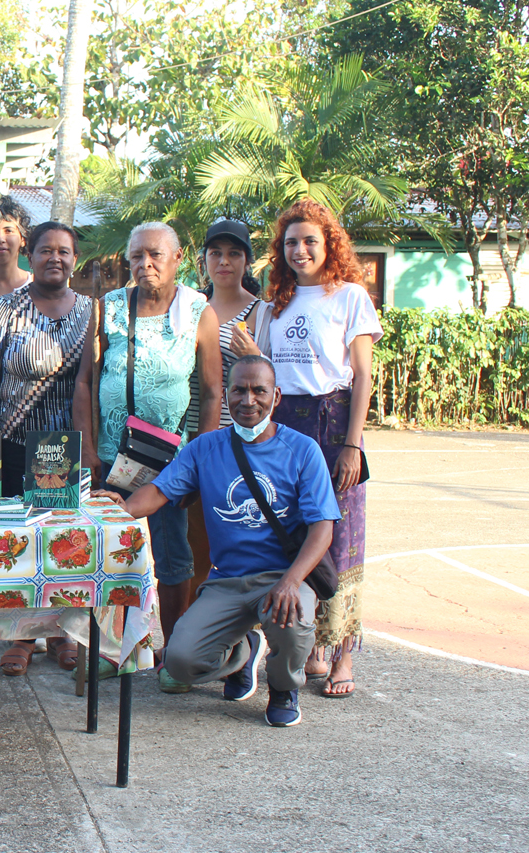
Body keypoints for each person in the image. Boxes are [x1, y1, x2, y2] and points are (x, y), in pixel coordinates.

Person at [101, 355, 340, 727]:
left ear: (276, 396)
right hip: (227, 580)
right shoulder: (205, 447)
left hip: (282, 576)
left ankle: (283, 688)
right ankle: (242, 654)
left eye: (259, 391)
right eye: (239, 390)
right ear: (227, 396)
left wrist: (292, 582)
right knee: (180, 661)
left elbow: (322, 528)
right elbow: (161, 490)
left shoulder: (303, 449)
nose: (248, 400)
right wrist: (125, 507)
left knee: (292, 624)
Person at [78, 221, 208, 694]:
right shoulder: (108, 307)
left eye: (154, 254)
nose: (144, 263)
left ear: (177, 259)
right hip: (114, 459)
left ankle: (173, 654)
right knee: (112, 555)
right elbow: (85, 381)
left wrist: (202, 460)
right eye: (136, 256)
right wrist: (87, 447)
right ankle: (115, 652)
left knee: (173, 558)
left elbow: (212, 392)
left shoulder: (198, 311)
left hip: (172, 464)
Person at [259, 200, 381, 698]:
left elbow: (363, 376)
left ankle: (343, 652)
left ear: (329, 244)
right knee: (294, 532)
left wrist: (352, 444)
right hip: (286, 425)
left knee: (341, 534)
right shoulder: (275, 303)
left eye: (310, 240)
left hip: (333, 424)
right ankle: (311, 644)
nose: (300, 250)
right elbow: (266, 370)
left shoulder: (350, 296)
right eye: (291, 242)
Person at [0, 221, 94, 677]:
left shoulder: (91, 311)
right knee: (19, 545)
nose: (54, 258)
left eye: (64, 251)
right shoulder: (8, 308)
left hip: (68, 449)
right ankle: (22, 635)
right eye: (46, 250)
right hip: (16, 445)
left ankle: (62, 633)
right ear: (31, 254)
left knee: (65, 545)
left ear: (74, 259)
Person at [184, 219, 264, 600]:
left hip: (240, 443)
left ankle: (241, 625)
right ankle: (191, 623)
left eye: (234, 253)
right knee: (194, 542)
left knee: (240, 537)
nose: (224, 261)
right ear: (204, 259)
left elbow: (274, 384)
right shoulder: (189, 308)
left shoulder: (261, 313)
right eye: (215, 253)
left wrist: (256, 356)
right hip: (191, 437)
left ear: (247, 261)